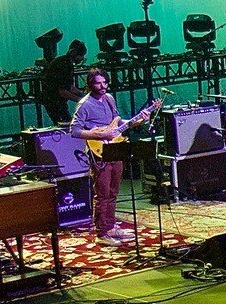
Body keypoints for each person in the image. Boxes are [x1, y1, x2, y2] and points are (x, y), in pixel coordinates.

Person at [72, 67, 154, 242]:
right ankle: (101, 233)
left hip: (115, 148)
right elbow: (75, 130)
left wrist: (138, 120)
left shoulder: (109, 99)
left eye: (104, 82)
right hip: (99, 151)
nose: (102, 86)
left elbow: (118, 123)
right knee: (102, 193)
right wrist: (100, 135)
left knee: (113, 191)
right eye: (98, 83)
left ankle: (110, 226)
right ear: (90, 85)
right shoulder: (85, 104)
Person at [35, 37, 87, 124]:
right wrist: (80, 99)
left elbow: (69, 86)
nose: (82, 58)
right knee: (64, 125)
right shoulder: (62, 65)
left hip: (58, 101)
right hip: (53, 101)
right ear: (73, 53)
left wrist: (83, 96)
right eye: (81, 55)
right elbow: (62, 91)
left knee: (66, 124)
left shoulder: (67, 63)